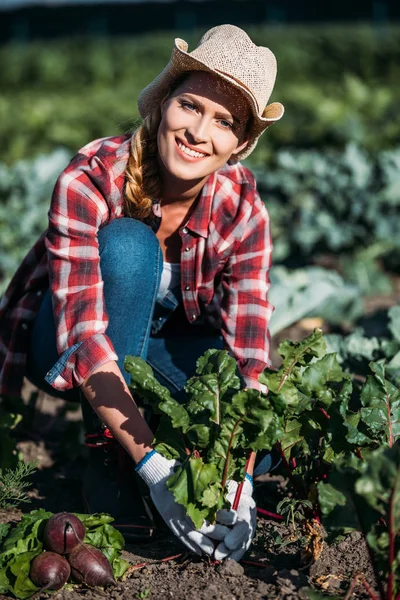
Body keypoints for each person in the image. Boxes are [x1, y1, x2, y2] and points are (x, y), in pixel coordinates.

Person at [0, 24, 283, 560]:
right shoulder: (90, 178)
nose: (199, 132)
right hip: (67, 341)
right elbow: (85, 340)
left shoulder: (243, 207)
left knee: (267, 446)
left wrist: (238, 478)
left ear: (240, 145)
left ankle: (171, 455)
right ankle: (108, 452)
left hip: (161, 349)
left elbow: (250, 358)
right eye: (190, 106)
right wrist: (153, 467)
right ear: (163, 103)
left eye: (224, 122)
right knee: (129, 246)